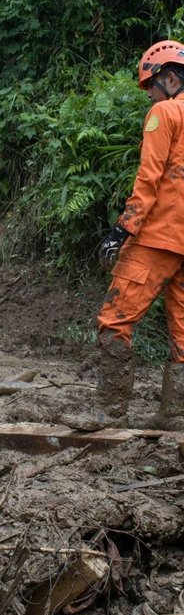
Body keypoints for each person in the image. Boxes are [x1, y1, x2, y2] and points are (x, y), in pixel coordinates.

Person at [91, 39, 184, 430]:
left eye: (151, 87)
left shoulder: (165, 113)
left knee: (114, 321)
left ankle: (110, 413)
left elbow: (149, 178)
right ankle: (175, 415)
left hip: (157, 235)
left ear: (170, 78)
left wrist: (122, 229)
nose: (150, 97)